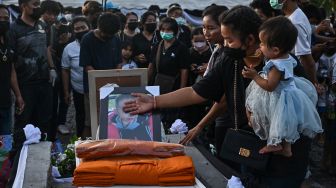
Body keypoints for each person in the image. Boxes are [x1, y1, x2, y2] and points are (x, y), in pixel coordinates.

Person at [124, 6, 313, 187]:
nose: (224, 45)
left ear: (249, 39)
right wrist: (155, 101)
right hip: (248, 150)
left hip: (284, 157)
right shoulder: (229, 59)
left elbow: (302, 107)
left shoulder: (282, 62)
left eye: (229, 40)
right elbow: (196, 91)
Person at [242, 16, 323, 156]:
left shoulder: (276, 66)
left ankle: (274, 144)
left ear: (275, 50)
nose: (259, 46)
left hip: (278, 95)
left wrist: (255, 76)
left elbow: (270, 86)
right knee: (286, 122)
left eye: (262, 43)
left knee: (273, 120)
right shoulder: (287, 57)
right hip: (290, 91)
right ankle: (286, 148)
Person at [9, 0, 53, 143]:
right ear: (23, 6)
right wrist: (17, 94)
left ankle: (44, 158)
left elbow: (47, 49)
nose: (38, 7)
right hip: (25, 85)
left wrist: (52, 68)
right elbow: (11, 64)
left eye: (39, 4)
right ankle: (18, 160)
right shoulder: (13, 29)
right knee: (24, 124)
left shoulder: (43, 25)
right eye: (35, 4)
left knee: (44, 122)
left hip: (44, 82)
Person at [79, 12, 121, 137]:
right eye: (105, 35)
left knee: (111, 119)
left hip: (113, 87)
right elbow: (87, 66)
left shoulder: (116, 38)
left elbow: (119, 62)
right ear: (98, 27)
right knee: (91, 120)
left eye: (111, 35)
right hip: (92, 88)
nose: (108, 37)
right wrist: (101, 81)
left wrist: (116, 78)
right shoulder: (87, 39)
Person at [270, 0, 317, 84]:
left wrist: (313, 84)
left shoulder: (295, 22)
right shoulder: (294, 15)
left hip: (297, 76)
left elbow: (306, 58)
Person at [62, 16, 90, 138]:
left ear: (89, 28)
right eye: (77, 29)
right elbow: (65, 70)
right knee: (81, 116)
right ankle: (81, 141)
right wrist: (66, 91)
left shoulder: (97, 45)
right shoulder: (69, 48)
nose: (80, 30)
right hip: (78, 90)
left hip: (95, 89)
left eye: (83, 27)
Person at [0, 4, 24, 135]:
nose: (3, 21)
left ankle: (5, 156)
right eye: (0, 18)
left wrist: (18, 95)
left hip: (5, 100)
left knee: (6, 139)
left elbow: (11, 71)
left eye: (5, 18)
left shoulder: (8, 40)